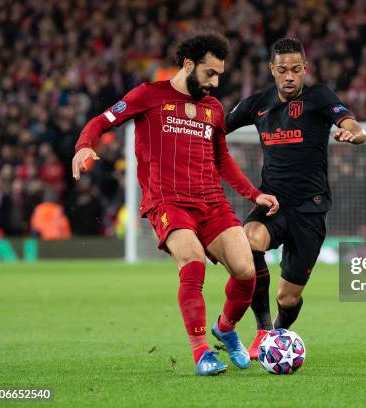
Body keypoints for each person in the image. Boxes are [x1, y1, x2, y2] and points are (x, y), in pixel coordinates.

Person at [71, 32, 279, 376]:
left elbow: (222, 159)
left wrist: (253, 194)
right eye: (210, 73)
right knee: (193, 263)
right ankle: (201, 354)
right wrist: (84, 144)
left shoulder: (213, 108)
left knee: (246, 272)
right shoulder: (148, 95)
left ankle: (225, 329)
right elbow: (102, 121)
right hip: (167, 199)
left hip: (212, 201)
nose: (215, 82)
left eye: (219, 75)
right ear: (188, 64)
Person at [225, 38, 366, 359]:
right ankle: (263, 332)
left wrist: (354, 134)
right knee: (248, 242)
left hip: (310, 211)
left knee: (288, 297)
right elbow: (216, 130)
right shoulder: (257, 104)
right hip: (272, 205)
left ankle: (277, 332)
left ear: (305, 69)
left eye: (296, 69)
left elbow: (354, 126)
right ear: (271, 70)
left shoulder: (319, 97)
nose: (290, 76)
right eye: (283, 70)